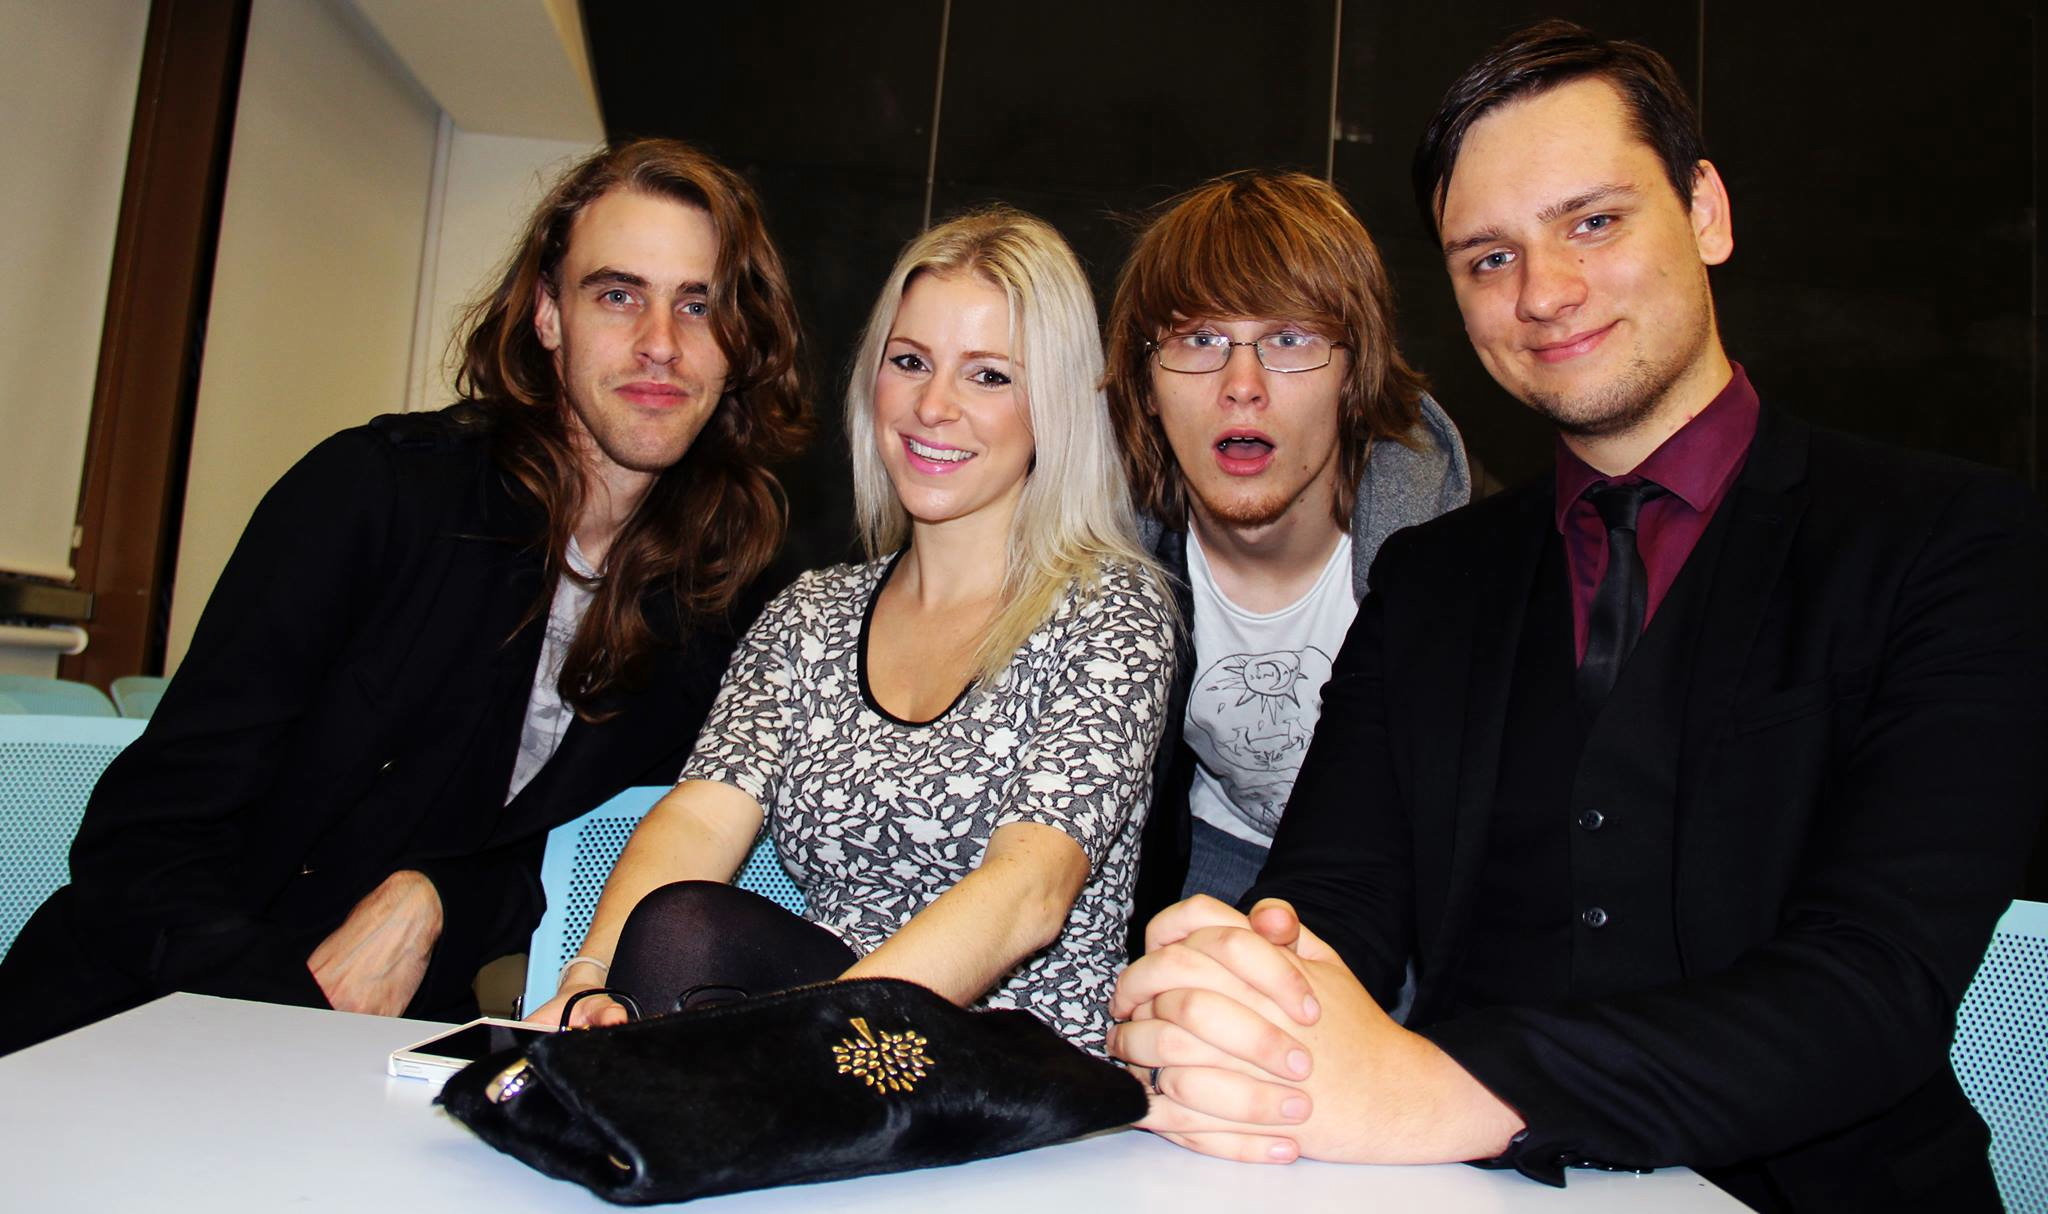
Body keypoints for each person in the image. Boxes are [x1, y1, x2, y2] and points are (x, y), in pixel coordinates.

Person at [1108, 21, 2047, 1213]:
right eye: (1486, 257)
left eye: (1590, 221)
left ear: (1703, 210)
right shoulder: (1430, 579)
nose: (1542, 292)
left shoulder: (1946, 541)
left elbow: (1868, 984)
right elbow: (1334, 896)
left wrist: (1438, 1088)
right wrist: (1248, 978)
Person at [0, 139, 809, 1053]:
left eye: (698, 305)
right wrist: (292, 1022)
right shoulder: (373, 494)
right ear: (548, 316)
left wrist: (439, 892)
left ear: (740, 345)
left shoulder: (719, 597)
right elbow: (138, 843)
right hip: (125, 1018)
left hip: (386, 1062)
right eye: (616, 295)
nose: (660, 343)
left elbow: (580, 854)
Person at [528, 208, 1173, 1053]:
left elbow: (1030, 890)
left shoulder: (1111, 612)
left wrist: (826, 1039)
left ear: (1052, 405)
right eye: (910, 363)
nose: (933, 406)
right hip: (825, 1049)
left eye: (989, 376)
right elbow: (698, 820)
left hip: (1007, 1065)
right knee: (688, 926)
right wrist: (588, 978)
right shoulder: (809, 617)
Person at [1104, 170, 1468, 941]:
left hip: (1400, 874)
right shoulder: (1108, 555)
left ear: (1353, 371)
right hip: (1211, 845)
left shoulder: (1455, 561)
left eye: (1290, 339)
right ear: (1145, 381)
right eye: (1199, 339)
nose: (1242, 385)